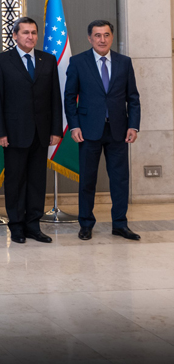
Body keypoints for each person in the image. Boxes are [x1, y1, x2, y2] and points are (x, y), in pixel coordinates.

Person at [64, 20, 141, 241]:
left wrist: (133, 125)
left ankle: (120, 224)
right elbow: (69, 98)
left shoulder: (124, 62)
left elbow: (133, 98)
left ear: (112, 37)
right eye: (97, 35)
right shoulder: (78, 62)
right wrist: (74, 125)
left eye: (106, 35)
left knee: (119, 179)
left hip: (118, 130)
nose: (102, 39)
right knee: (87, 179)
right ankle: (86, 224)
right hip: (88, 130)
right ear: (90, 38)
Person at [0, 17, 62, 244]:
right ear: (15, 36)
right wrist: (0, 132)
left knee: (37, 182)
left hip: (41, 133)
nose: (30, 36)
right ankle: (17, 226)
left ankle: (33, 226)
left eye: (33, 33)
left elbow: (54, 98)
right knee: (15, 181)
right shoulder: (1, 61)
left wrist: (56, 130)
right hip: (13, 134)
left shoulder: (47, 60)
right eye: (25, 32)